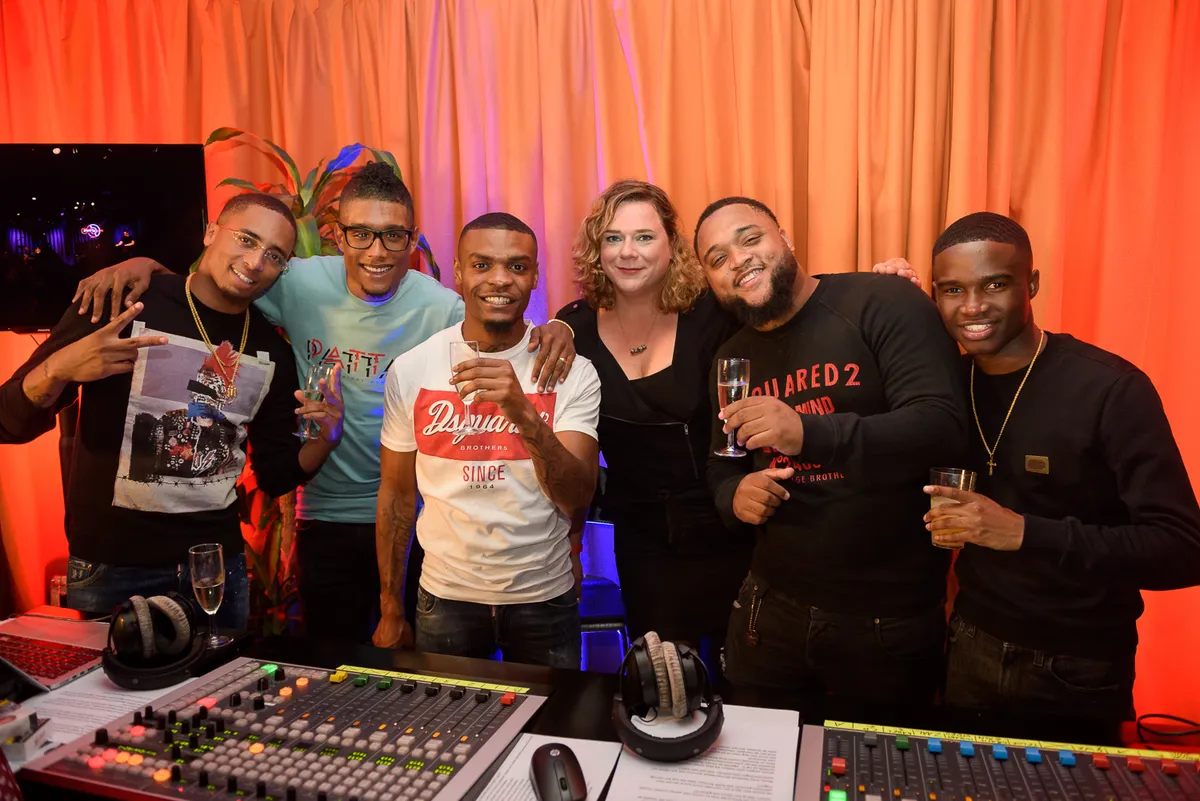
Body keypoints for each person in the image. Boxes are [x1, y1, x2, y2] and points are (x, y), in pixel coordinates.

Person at [71, 162, 577, 646]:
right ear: (337, 235)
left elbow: (504, 326)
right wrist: (147, 266)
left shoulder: (440, 306)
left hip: (416, 520)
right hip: (326, 516)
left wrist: (560, 328)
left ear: (412, 239)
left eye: (393, 236)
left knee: (417, 666)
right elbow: (219, 282)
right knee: (337, 665)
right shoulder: (296, 281)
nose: (377, 251)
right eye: (361, 234)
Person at [0, 194, 344, 628]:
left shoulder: (270, 350)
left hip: (216, 568)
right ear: (211, 232)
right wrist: (58, 368)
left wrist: (327, 439)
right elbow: (9, 420)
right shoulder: (124, 303)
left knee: (223, 676)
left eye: (274, 255)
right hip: (113, 569)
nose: (256, 261)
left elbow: (276, 474)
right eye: (246, 239)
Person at [918, 211, 1200, 719]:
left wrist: (1023, 533)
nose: (973, 307)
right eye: (953, 290)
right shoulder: (944, 387)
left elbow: (1183, 550)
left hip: (1079, 664)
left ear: (1032, 284)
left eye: (995, 284)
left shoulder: (1110, 389)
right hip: (969, 644)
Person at [696, 196, 968, 706]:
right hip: (768, 612)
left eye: (750, 239)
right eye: (717, 258)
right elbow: (720, 462)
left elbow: (942, 426)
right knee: (757, 753)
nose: (738, 259)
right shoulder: (732, 357)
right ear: (710, 281)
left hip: (886, 620)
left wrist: (808, 433)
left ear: (785, 239)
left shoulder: (882, 301)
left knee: (880, 757)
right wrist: (734, 494)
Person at [377, 212, 601, 668]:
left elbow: (577, 496)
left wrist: (524, 413)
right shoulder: (413, 368)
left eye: (517, 266)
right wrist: (390, 605)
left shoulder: (571, 371)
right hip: (445, 595)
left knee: (552, 713)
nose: (500, 279)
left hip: (543, 594)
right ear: (458, 273)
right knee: (445, 715)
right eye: (482, 265)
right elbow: (397, 496)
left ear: (535, 276)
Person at [555, 180, 750, 655]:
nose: (628, 252)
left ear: (671, 244)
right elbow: (570, 448)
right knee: (663, 679)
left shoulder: (714, 312)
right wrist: (572, 547)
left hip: (732, 529)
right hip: (642, 544)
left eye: (644, 236)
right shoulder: (573, 328)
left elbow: (792, 313)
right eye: (613, 238)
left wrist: (875, 285)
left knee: (745, 678)